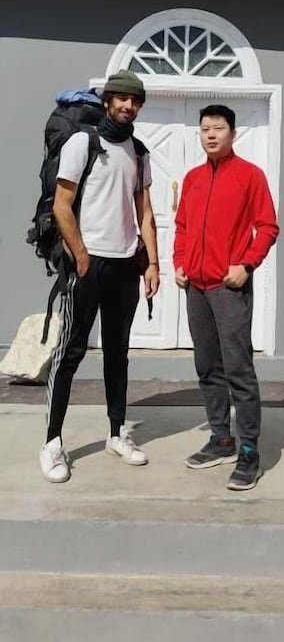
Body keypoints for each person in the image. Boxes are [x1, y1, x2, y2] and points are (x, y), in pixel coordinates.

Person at [39, 70, 160, 483]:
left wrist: (153, 264)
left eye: (135, 100)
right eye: (122, 98)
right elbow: (62, 204)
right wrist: (81, 255)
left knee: (117, 354)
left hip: (126, 265)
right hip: (88, 263)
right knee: (70, 352)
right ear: (108, 101)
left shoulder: (139, 152)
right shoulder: (83, 143)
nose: (129, 106)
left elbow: (145, 212)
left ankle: (116, 434)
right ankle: (52, 442)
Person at [173, 104, 279, 491]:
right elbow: (183, 226)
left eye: (218, 128)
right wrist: (179, 262)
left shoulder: (250, 176)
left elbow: (268, 227)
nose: (211, 134)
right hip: (196, 288)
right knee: (207, 366)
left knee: (238, 369)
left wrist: (247, 265)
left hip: (228, 287)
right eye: (205, 129)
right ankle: (221, 439)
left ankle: (249, 449)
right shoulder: (193, 178)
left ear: (233, 133)